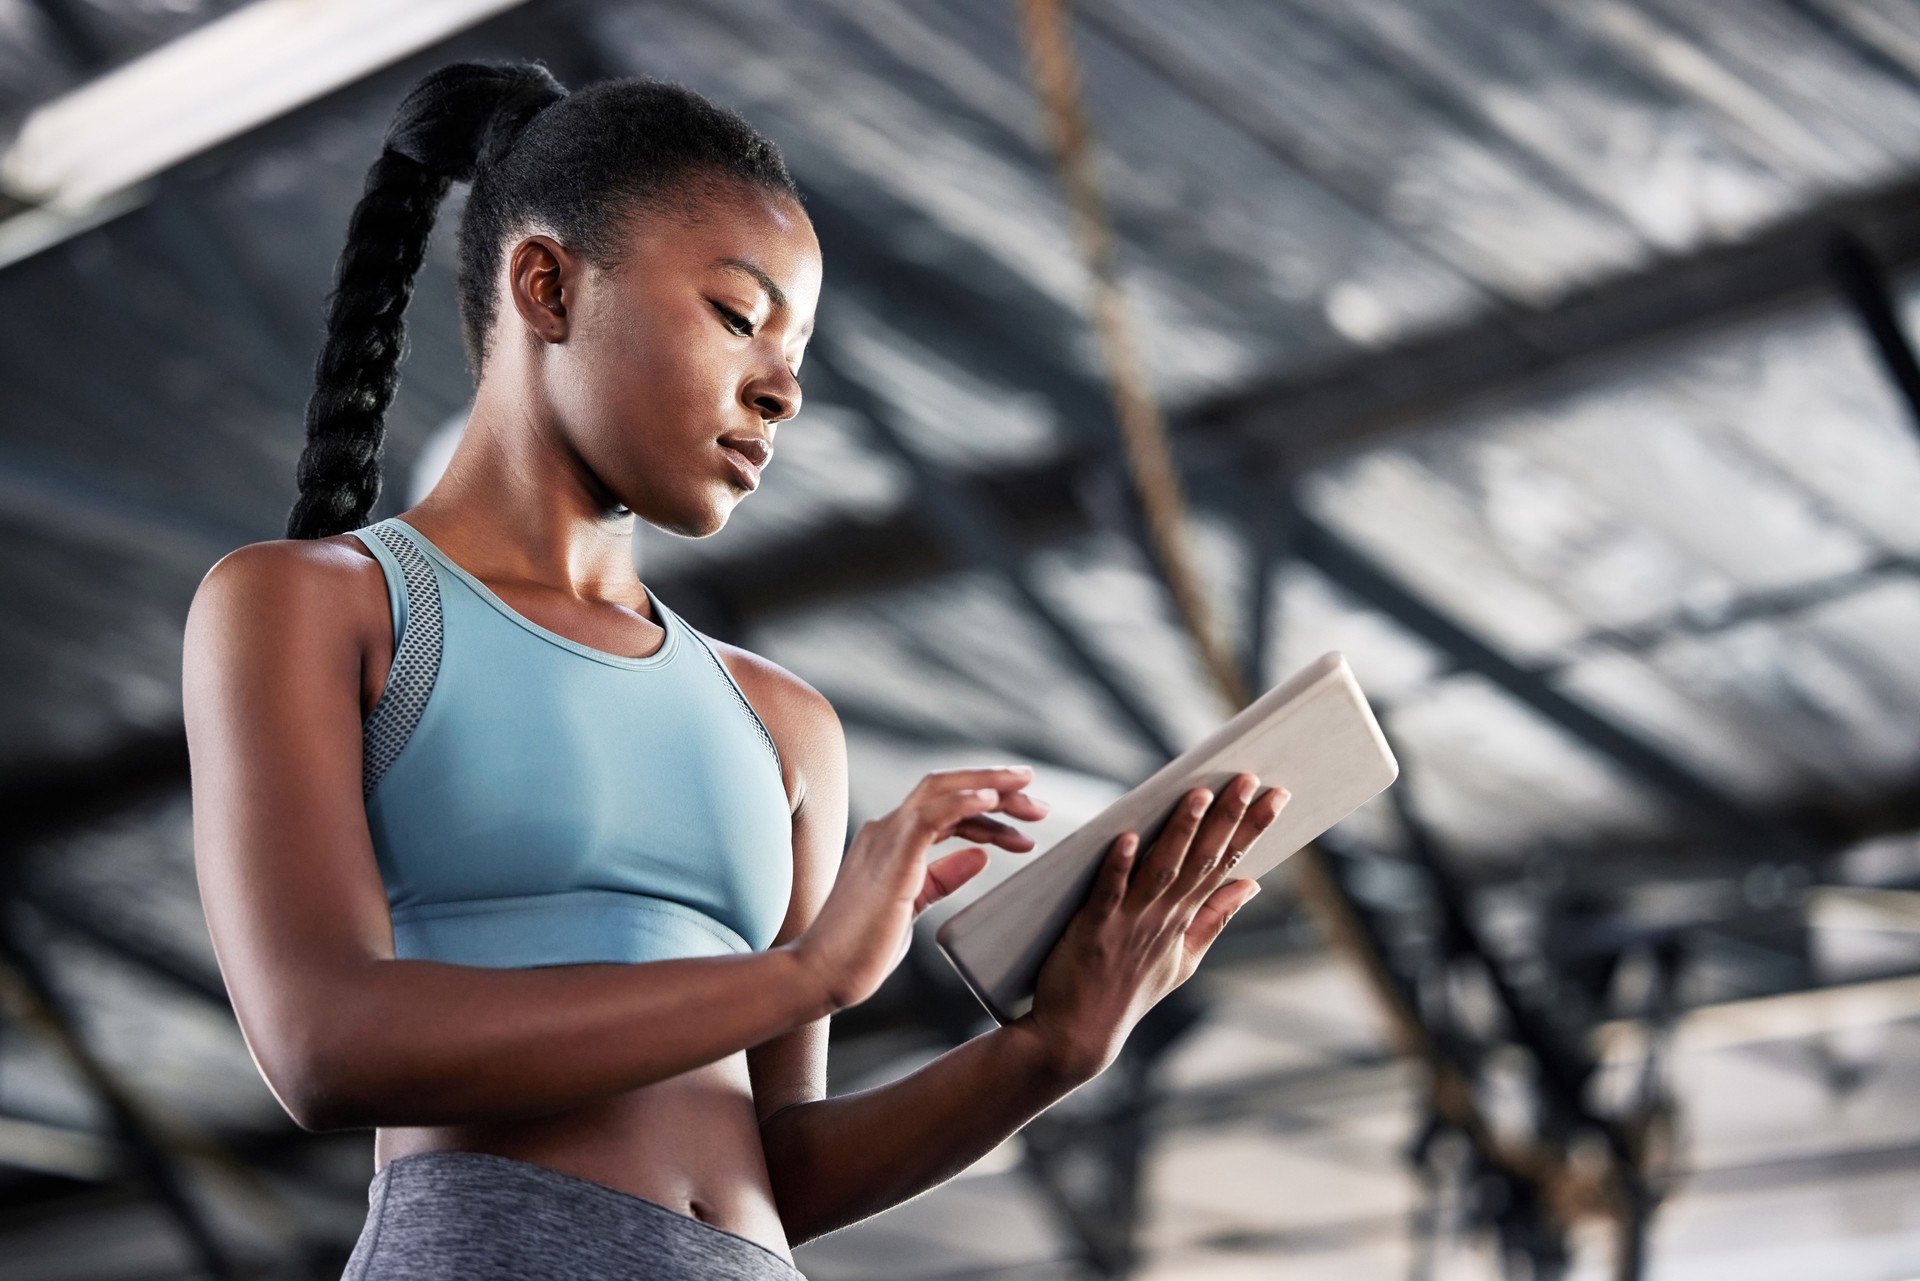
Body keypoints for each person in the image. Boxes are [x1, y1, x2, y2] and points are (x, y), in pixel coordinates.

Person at [182, 62, 1287, 1280]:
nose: (785, 387)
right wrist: (806, 973)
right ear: (547, 286)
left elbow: (782, 1169)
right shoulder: (314, 604)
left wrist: (1047, 1055)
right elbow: (323, 1046)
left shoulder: (784, 725)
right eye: (736, 314)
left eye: (798, 346)